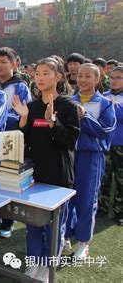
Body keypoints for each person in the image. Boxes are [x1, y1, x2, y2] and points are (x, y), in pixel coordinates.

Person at [12, 57, 81, 281]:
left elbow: (70, 140)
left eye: (46, 73)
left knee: (54, 226)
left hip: (59, 174)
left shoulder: (68, 106)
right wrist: (23, 120)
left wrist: (53, 123)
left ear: (58, 77)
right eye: (38, 73)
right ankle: (34, 263)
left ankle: (48, 267)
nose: (40, 78)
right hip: (35, 173)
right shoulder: (31, 107)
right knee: (33, 223)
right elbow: (23, 140)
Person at [65, 63, 116, 259]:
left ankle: (83, 242)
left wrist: (85, 117)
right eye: (79, 76)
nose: (83, 80)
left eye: (88, 76)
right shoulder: (70, 100)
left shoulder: (104, 103)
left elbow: (105, 131)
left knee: (86, 199)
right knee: (67, 197)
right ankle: (66, 235)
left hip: (91, 157)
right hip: (70, 155)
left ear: (97, 79)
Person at [0, 46, 31, 238]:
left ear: (14, 65)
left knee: (8, 179)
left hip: (10, 139)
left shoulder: (20, 87)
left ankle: (7, 222)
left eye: (4, 63)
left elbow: (22, 115)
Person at [100, 66, 123, 225]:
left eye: (119, 78)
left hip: (121, 144)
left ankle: (120, 211)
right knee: (104, 178)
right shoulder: (104, 96)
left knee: (121, 180)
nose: (114, 81)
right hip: (105, 144)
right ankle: (101, 207)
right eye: (112, 77)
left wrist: (113, 107)